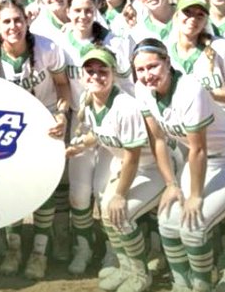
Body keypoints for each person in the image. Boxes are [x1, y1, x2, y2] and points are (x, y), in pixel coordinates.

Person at [133, 36, 225, 292]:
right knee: (168, 221)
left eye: (153, 66)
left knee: (195, 225)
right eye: (141, 69)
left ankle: (219, 279)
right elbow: (157, 139)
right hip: (200, 161)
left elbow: (198, 148)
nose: (147, 74)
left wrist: (196, 196)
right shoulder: (142, 90)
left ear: (168, 62)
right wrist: (170, 184)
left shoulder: (190, 88)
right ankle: (182, 285)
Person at [67, 48, 165, 292]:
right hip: (129, 165)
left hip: (152, 169)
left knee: (120, 213)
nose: (96, 76)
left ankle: (141, 275)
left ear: (113, 75)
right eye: (90, 71)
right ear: (82, 75)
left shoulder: (125, 106)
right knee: (108, 213)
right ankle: (126, 268)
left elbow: (132, 156)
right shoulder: (88, 99)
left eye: (103, 71)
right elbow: (99, 134)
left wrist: (120, 194)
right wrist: (79, 146)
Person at [0, 0, 72, 279]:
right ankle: (14, 249)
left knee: (44, 187)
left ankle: (40, 252)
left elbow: (63, 86)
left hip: (46, 121)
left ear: (26, 21)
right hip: (11, 128)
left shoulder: (46, 47)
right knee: (11, 188)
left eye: (17, 20)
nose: (13, 26)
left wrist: (62, 115)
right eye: (6, 22)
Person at [59, 0, 133, 276]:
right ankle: (83, 247)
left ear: (96, 10)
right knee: (79, 195)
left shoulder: (113, 40)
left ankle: (113, 254)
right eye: (76, 10)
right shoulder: (60, 41)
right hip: (80, 124)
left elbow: (126, 84)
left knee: (106, 192)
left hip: (110, 125)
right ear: (67, 11)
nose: (82, 15)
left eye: (88, 9)